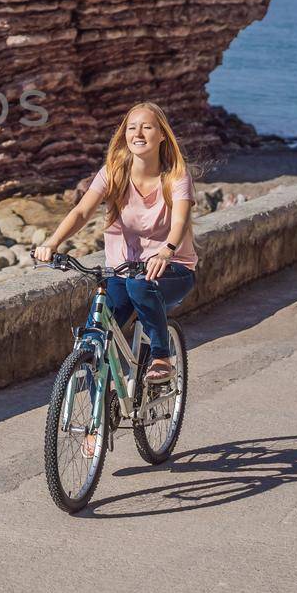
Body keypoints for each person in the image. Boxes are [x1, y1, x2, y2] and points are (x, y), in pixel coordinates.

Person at [34, 101, 198, 384]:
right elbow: (82, 212)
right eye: (132, 127)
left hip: (173, 269)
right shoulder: (113, 172)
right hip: (123, 270)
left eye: (147, 127)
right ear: (124, 135)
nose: (138, 133)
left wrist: (167, 250)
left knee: (140, 284)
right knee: (93, 338)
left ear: (162, 135)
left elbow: (180, 222)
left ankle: (161, 356)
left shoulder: (175, 176)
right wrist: (53, 242)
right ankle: (96, 426)